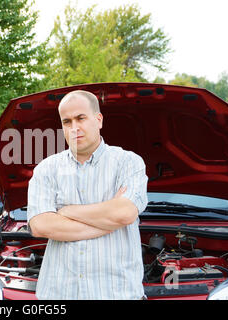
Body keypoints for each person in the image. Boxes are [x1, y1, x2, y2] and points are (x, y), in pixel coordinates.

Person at [27, 90, 148, 300]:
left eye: (81, 118)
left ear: (98, 119)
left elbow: (124, 214)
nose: (74, 128)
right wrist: (107, 222)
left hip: (116, 294)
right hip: (59, 296)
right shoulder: (46, 169)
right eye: (67, 121)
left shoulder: (129, 163)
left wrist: (66, 211)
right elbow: (41, 226)